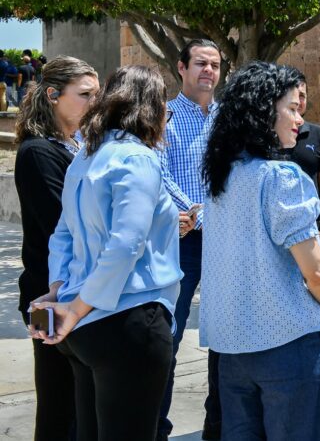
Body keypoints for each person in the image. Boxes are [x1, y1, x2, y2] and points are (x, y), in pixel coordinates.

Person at [199, 62, 320, 441]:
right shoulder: (280, 178)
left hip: (232, 350)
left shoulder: (221, 179)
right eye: (292, 108)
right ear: (263, 112)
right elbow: (315, 271)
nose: (300, 120)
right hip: (289, 348)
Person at [30, 66, 182, 441]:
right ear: (151, 107)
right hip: (129, 319)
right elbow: (126, 244)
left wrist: (58, 293)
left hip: (85, 328)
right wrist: (75, 308)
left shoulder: (86, 156)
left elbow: (63, 234)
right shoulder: (138, 158)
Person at [15, 56, 99, 440]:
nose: (94, 104)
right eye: (85, 95)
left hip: (75, 293)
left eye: (97, 95)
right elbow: (60, 224)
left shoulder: (79, 146)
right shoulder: (37, 152)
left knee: (82, 409)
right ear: (52, 95)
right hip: (44, 297)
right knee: (58, 407)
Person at [157, 38, 223, 441]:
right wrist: (197, 212)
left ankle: (218, 424)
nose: (208, 71)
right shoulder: (162, 116)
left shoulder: (227, 119)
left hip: (224, 242)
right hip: (181, 240)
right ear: (181, 68)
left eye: (214, 64)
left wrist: (212, 215)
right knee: (169, 335)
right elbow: (159, 172)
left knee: (225, 334)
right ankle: (157, 428)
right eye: (200, 63)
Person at [287, 75, 320, 255]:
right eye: (294, 95)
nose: (298, 101)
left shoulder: (318, 135)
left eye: (302, 95)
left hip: (309, 231)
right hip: (272, 234)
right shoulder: (265, 137)